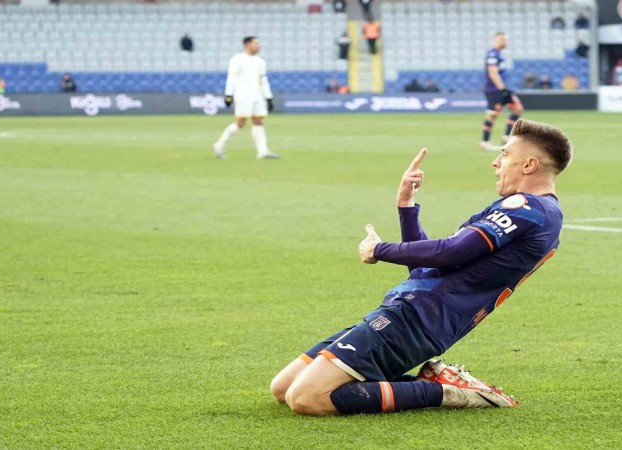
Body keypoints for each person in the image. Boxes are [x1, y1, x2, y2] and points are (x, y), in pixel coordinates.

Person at [271, 119, 573, 416]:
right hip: (414, 312)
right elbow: (427, 269)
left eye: (505, 154)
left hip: (418, 319)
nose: (496, 162)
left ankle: (449, 392)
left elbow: (450, 252)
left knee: (308, 398)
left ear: (529, 165)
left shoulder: (530, 209)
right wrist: (406, 206)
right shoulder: (533, 213)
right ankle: (432, 382)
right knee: (283, 388)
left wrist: (379, 249)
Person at [213, 36, 279, 160]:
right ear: (247, 44)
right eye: (256, 43)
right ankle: (219, 145)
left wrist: (268, 97)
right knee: (240, 123)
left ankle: (263, 151)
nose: (258, 46)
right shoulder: (237, 59)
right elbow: (231, 77)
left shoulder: (260, 61)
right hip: (243, 96)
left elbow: (263, 80)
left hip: (258, 96)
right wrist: (228, 95)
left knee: (258, 122)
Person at [480, 32, 524, 152]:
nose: (504, 42)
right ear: (494, 40)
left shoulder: (500, 55)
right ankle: (485, 141)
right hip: (495, 90)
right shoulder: (492, 55)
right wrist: (502, 89)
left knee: (517, 109)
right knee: (492, 115)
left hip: (504, 88)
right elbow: (493, 73)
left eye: (505, 39)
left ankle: (506, 136)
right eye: (501, 39)